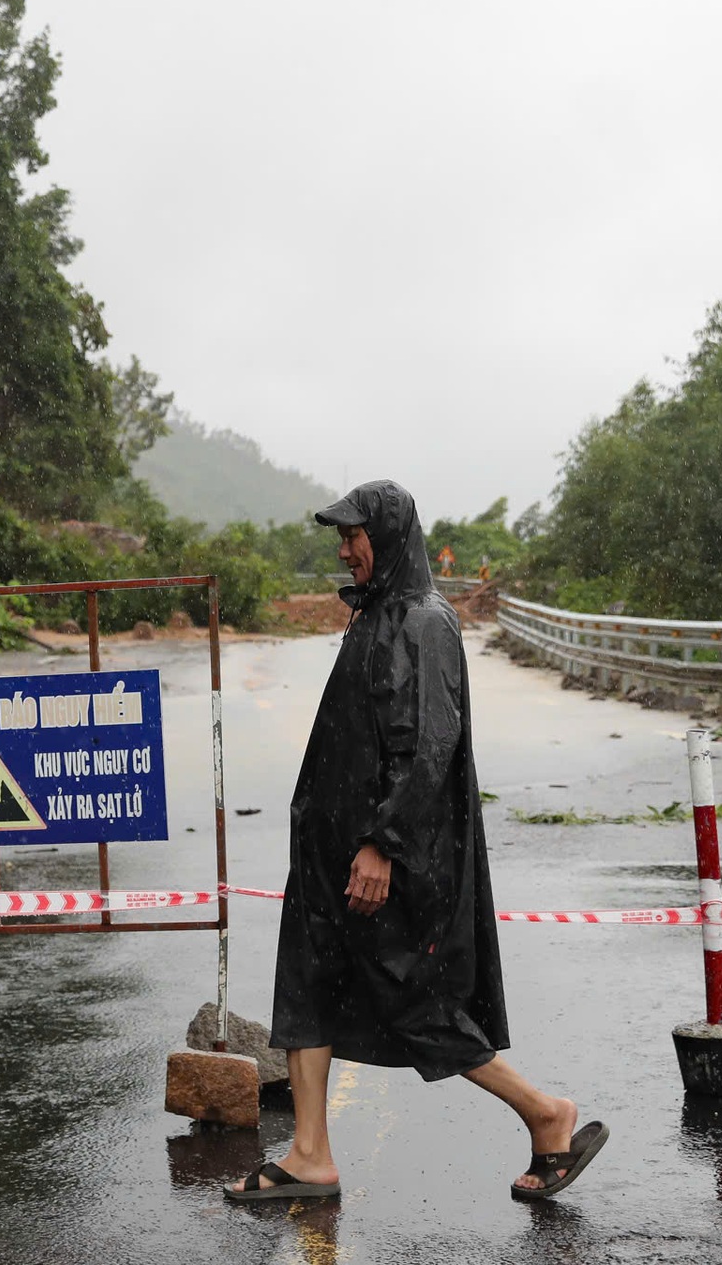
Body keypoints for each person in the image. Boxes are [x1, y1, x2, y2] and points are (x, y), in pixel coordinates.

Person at [227, 480, 607, 1203]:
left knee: (416, 1004)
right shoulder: (375, 616)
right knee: (307, 988)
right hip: (326, 858)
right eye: (341, 540)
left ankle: (547, 1114)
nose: (344, 552)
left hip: (380, 861)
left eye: (353, 538)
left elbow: (430, 745)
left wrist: (383, 845)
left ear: (390, 535)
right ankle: (310, 1153)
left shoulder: (425, 623)